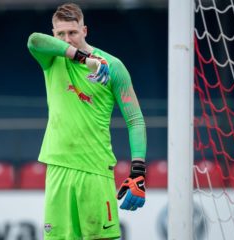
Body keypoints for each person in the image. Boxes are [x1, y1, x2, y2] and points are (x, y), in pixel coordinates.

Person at [27, 3, 147, 240]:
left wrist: (138, 171)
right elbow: (33, 40)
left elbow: (135, 120)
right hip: (58, 168)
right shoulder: (51, 60)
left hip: (95, 171)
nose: (67, 39)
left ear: (85, 31)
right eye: (60, 34)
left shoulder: (113, 66)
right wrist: (83, 59)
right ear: (54, 35)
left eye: (72, 32)